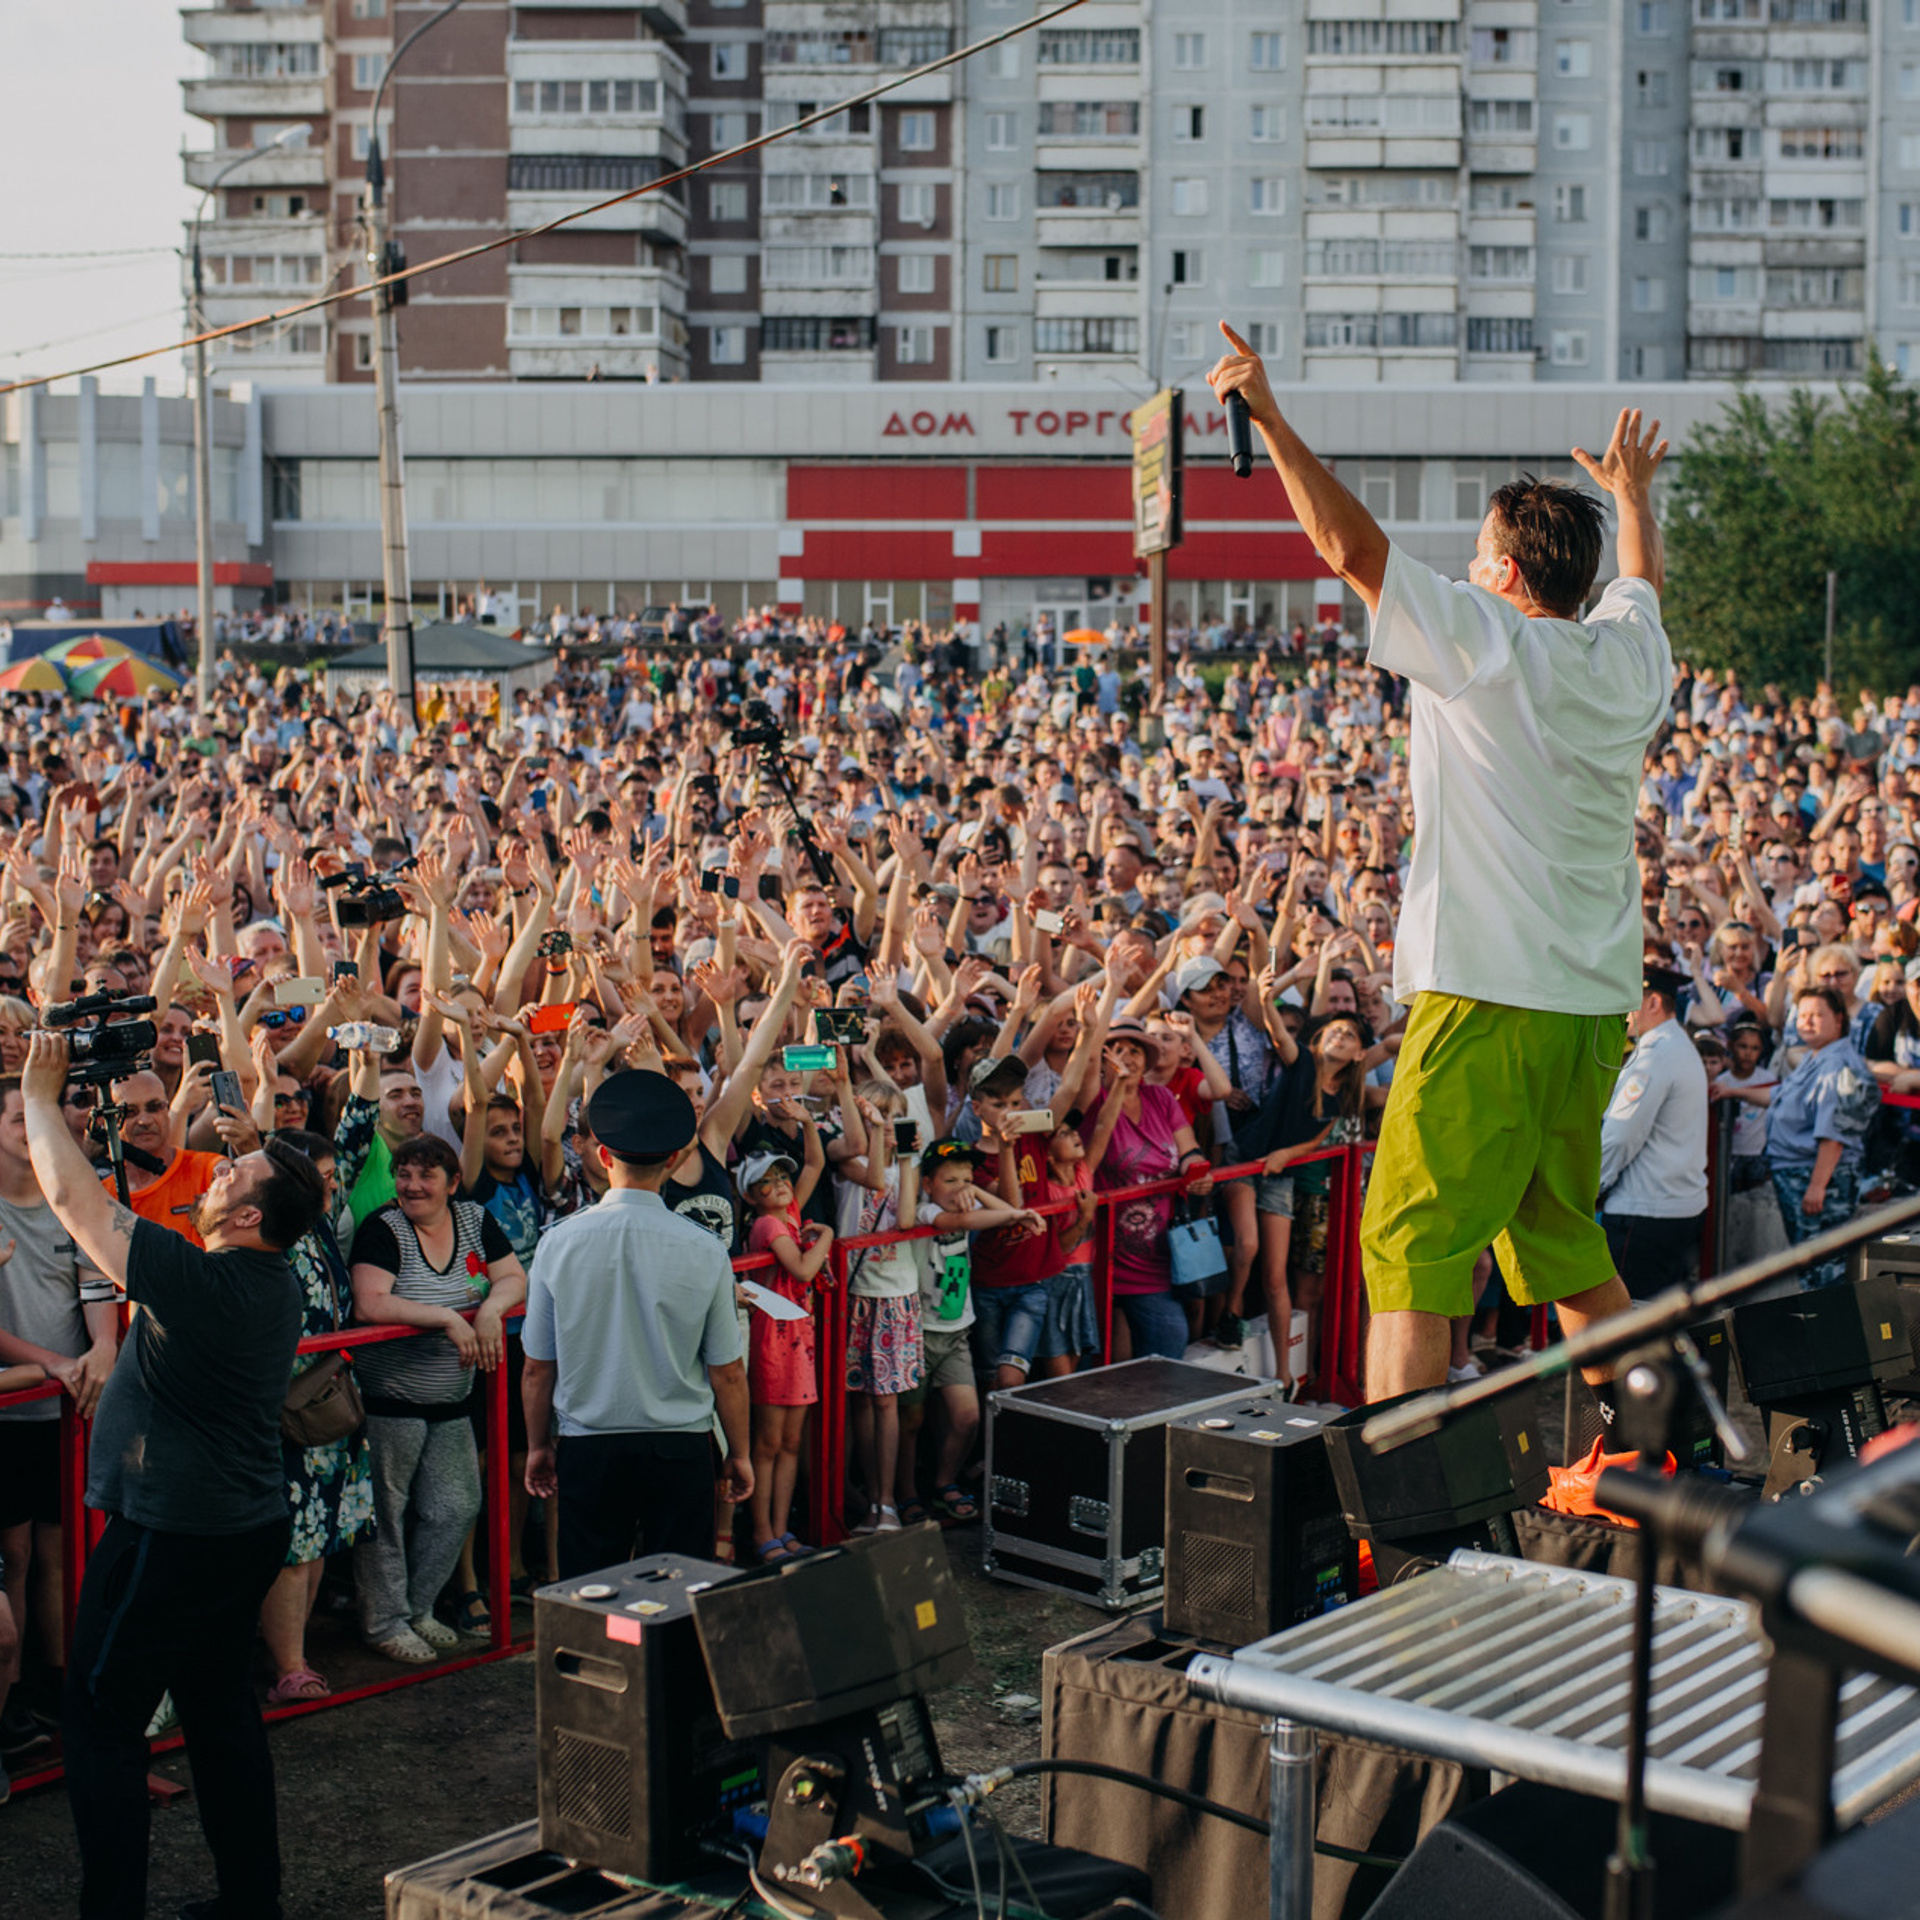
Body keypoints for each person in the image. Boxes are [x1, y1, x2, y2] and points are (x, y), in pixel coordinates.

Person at [1209, 322, 1670, 1406]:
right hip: (1593, 1010)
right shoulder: (1627, 657)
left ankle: (1400, 1522)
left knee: (1408, 1248)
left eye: (1472, 558)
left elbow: (1347, 551)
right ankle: (1665, 1447)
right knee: (1561, 1243)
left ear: (1504, 574)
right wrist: (1634, 498)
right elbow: (1639, 583)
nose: (1460, 571)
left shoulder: (1488, 639)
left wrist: (1271, 420)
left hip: (1486, 1001)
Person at [21, 1028, 326, 1920]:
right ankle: (249, 1900)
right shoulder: (270, 1278)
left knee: (102, 1724)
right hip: (234, 1523)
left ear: (244, 1221)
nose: (214, 1171)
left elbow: (80, 1207)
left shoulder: (211, 1284)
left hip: (176, 1530)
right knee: (219, 1710)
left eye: (232, 1176)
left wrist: (42, 1098)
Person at [520, 1071, 751, 1577]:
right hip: (680, 1445)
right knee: (677, 1596)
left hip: (590, 1445)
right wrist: (739, 1452)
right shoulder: (705, 1248)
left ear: (603, 1155)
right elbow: (728, 1372)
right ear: (673, 1159)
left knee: (591, 1592)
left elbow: (538, 1367)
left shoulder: (557, 1243)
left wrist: (539, 1445)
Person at [348, 1133, 527, 1663]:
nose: (411, 1185)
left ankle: (419, 1607)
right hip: (390, 1402)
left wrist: (490, 1309)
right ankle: (385, 1622)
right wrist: (449, 1318)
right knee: (386, 1516)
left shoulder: (472, 1220)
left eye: (426, 1175)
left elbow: (514, 1276)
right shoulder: (384, 1228)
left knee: (455, 1507)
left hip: (453, 1399)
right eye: (404, 1173)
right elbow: (370, 1304)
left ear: (451, 1184)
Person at [0, 1074, 118, 1762]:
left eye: (30, 1116)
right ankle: (11, 1692)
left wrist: (101, 1347)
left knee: (60, 1546)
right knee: (11, 1550)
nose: (25, 1126)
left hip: (72, 1402)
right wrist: (50, 1361)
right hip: (17, 1404)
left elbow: (96, 1276)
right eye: (15, 1116)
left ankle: (57, 1677)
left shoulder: (64, 1196)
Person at [738, 1148, 830, 1562]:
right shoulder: (767, 1223)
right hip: (773, 1338)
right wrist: (826, 1235)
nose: (779, 1186)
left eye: (782, 1178)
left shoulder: (788, 1213)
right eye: (767, 1182)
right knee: (768, 1442)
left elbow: (815, 1163)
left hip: (799, 1338)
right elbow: (803, 1270)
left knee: (792, 1441)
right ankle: (761, 1532)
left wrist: (806, 1123)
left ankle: (781, 1529)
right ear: (752, 1195)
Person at [1596, 964, 1710, 1299]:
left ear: (1654, 1002)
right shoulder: (1678, 1046)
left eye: (1630, 999)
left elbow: (1619, 1137)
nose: (1624, 1010)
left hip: (1643, 1211)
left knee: (1630, 1322)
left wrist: (1592, 1186)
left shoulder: (1656, 1056)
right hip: (1673, 1206)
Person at [1765, 986, 1880, 1288]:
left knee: (1822, 1270)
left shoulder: (1836, 1064)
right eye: (1802, 1015)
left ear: (1839, 1019)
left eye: (1817, 1015)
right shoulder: (1816, 1056)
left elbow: (1834, 1134)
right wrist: (1734, 1090)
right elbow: (1781, 1097)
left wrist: (1817, 1186)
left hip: (1818, 1180)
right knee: (1811, 1266)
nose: (1808, 1022)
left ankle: (1828, 1334)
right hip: (1800, 1174)